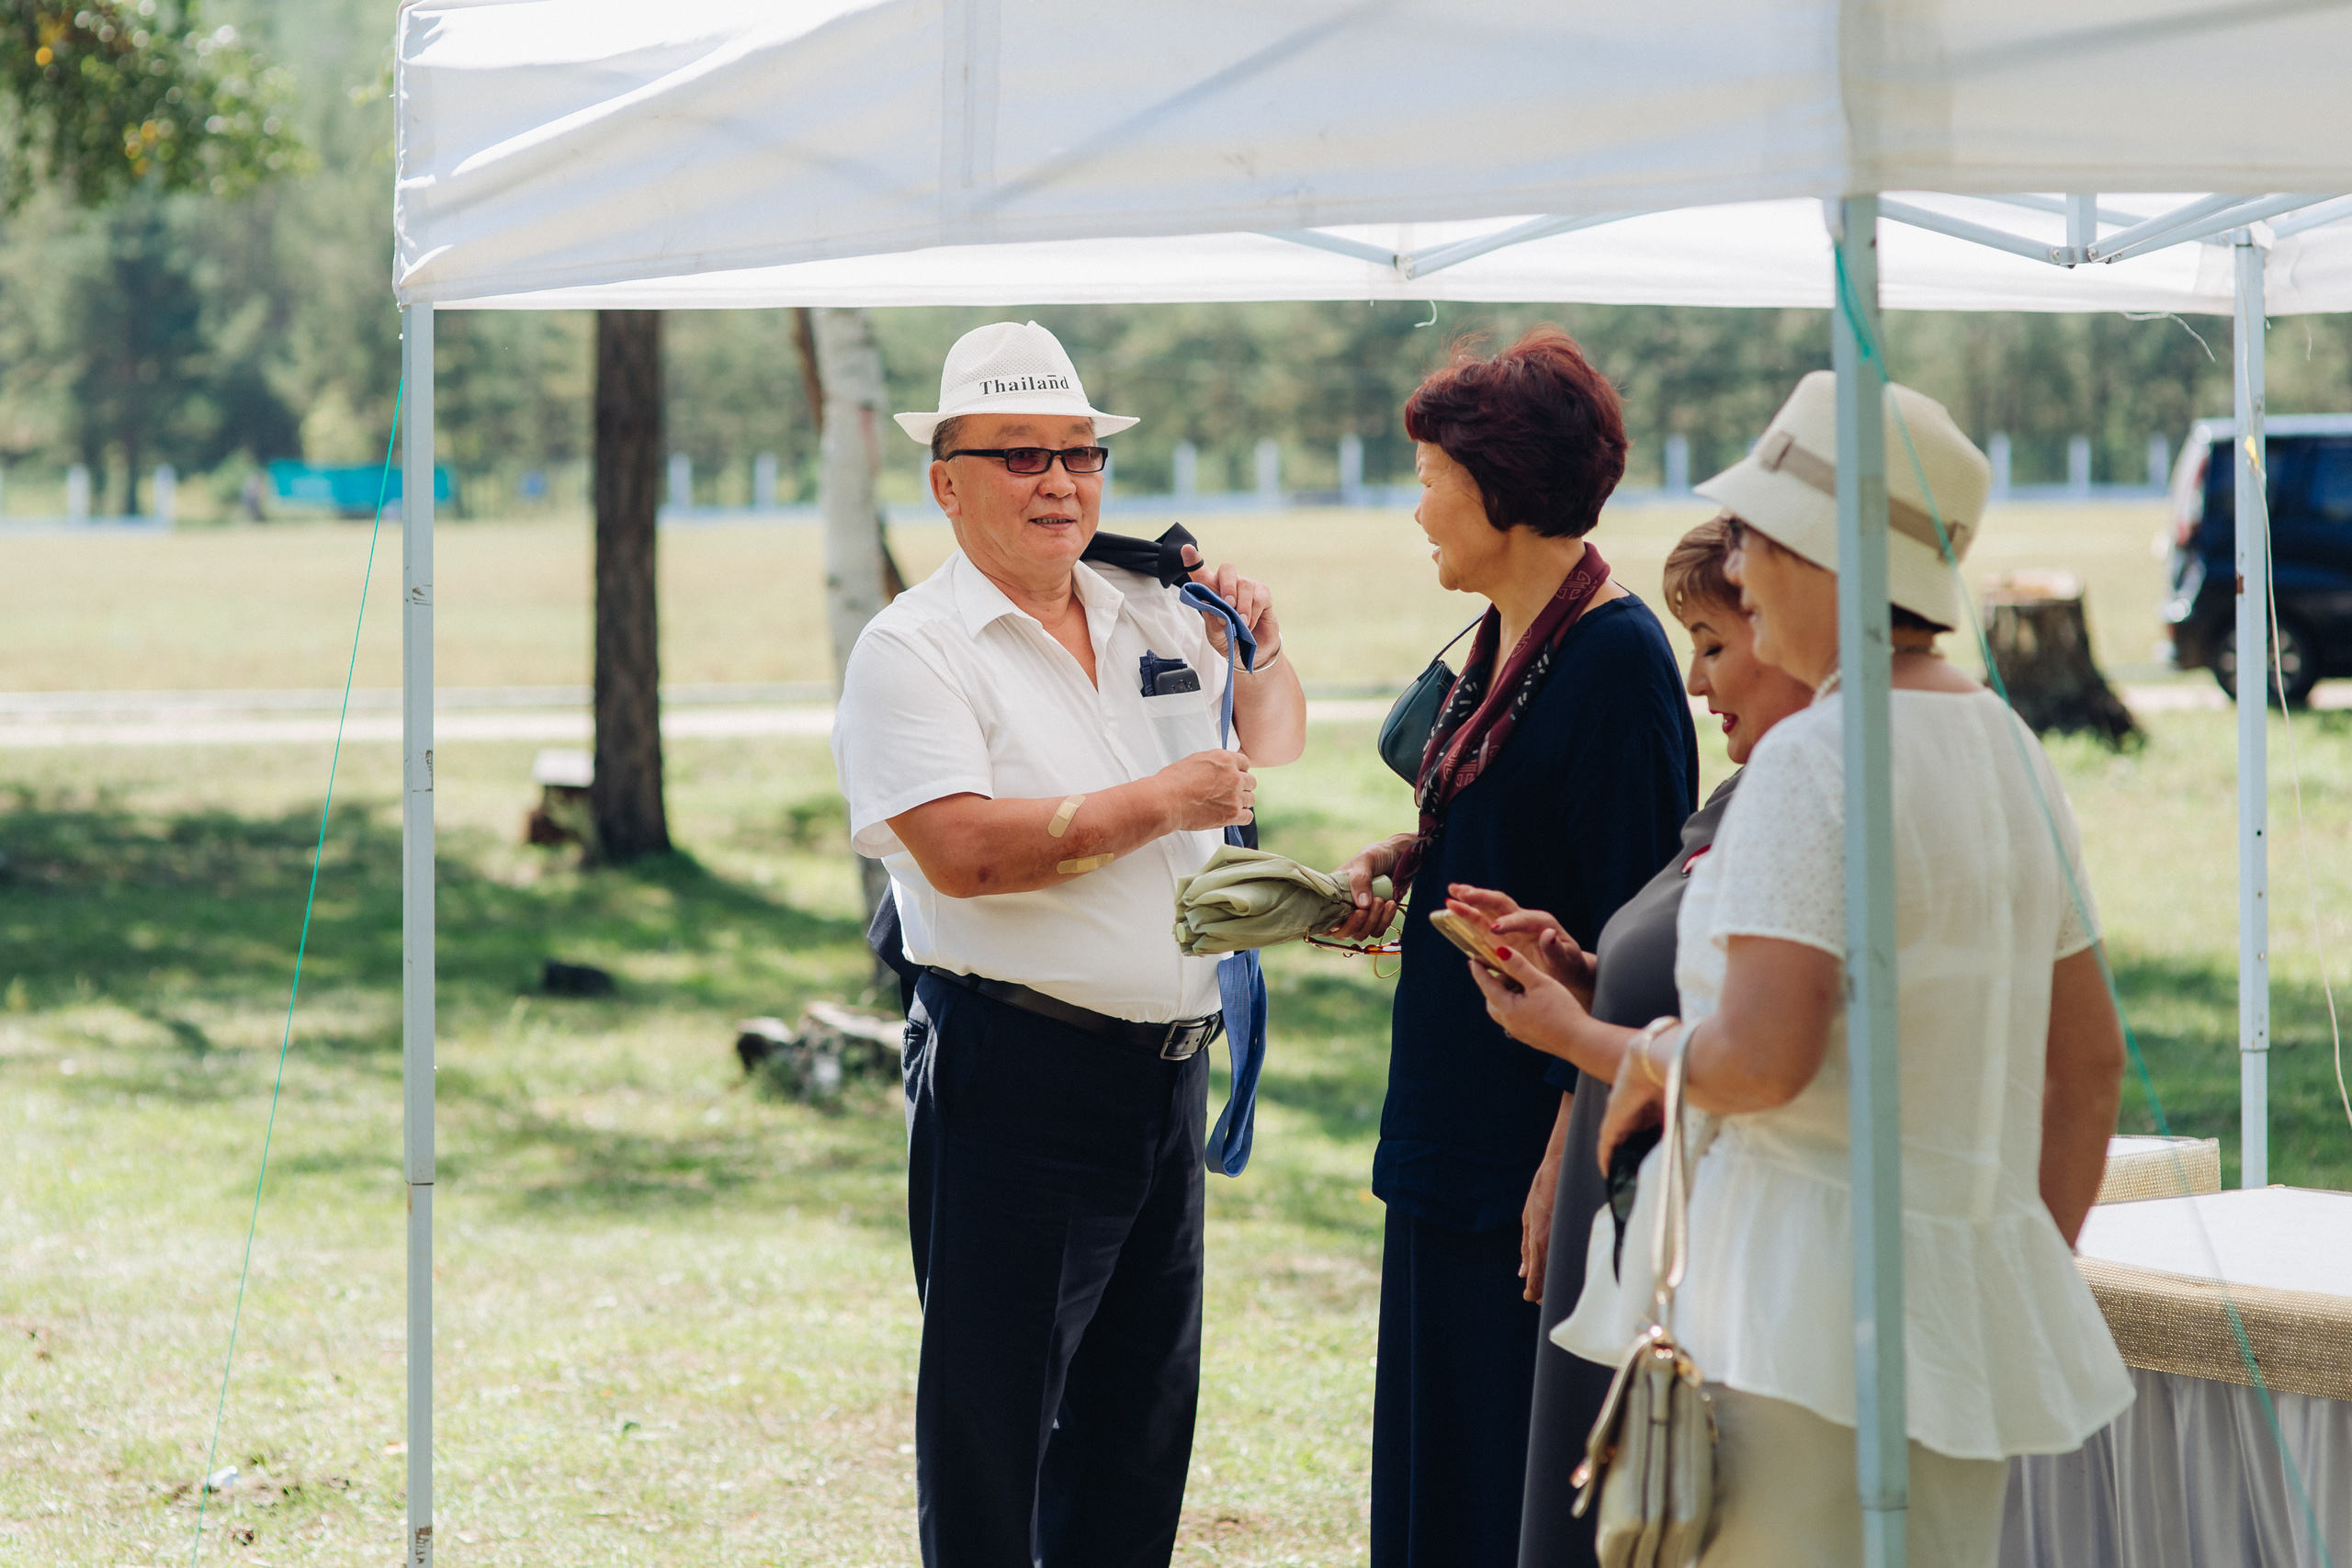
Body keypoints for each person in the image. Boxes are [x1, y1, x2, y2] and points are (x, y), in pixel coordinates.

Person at [1490, 370, 2134, 1567]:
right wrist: (1998, 1266)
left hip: (1789, 1325)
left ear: (1822, 556)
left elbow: (1758, 1061)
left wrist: (1582, 1041)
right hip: (1946, 1331)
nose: (1732, 567)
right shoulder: (2007, 744)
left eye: (1747, 536)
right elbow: (2088, 1065)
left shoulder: (1817, 757)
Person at [830, 320, 1309, 1568]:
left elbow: (1279, 731)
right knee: (996, 1431)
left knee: (1138, 1424)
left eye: (1081, 455)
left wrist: (1260, 636)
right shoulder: (913, 649)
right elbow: (966, 854)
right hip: (1022, 1072)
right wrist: (1164, 801)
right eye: (1022, 456)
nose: (1061, 482)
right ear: (946, 479)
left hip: (1167, 1068)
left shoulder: (1149, 601)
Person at [1322, 328, 1696, 1568]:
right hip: (1443, 1120)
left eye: (1431, 474)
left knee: (1502, 1485)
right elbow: (1507, 815)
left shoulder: (1618, 663)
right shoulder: (1498, 635)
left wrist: (1562, 1160)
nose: (1417, 503)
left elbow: (1634, 935)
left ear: (1503, 480)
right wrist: (1407, 853)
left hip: (1527, 1153)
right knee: (1434, 1467)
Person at [1441, 515, 1814, 1566]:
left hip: (1722, 1249)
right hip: (1641, 1229)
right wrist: (1584, 969)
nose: (1697, 683)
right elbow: (1699, 990)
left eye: (1713, 645)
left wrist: (1575, 1039)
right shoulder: (1747, 791)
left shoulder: (1809, 805)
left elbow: (1762, 1052)